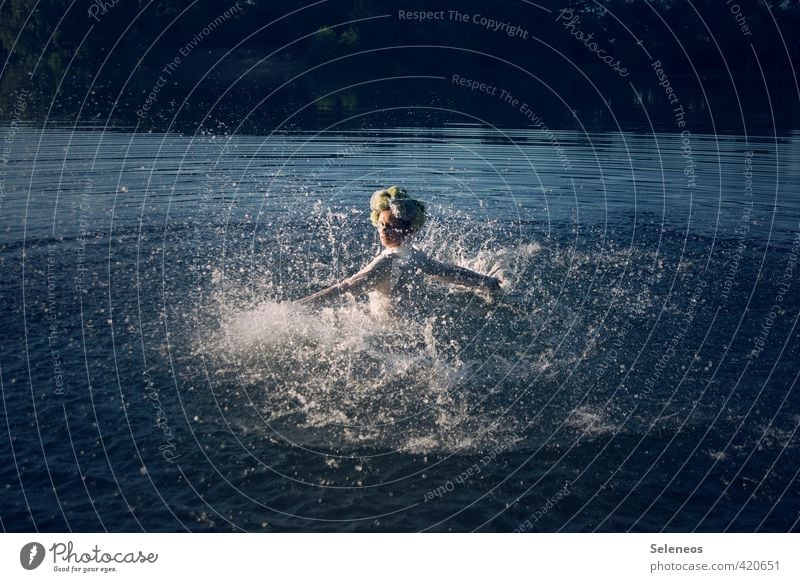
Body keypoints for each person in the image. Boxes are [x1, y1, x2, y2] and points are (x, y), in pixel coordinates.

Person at [295, 186, 502, 309]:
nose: (384, 231)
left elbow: (347, 287)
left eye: (392, 226)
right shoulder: (415, 256)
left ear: (409, 231)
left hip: (384, 335)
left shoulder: (387, 261)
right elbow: (447, 272)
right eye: (382, 224)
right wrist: (484, 281)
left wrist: (298, 307)